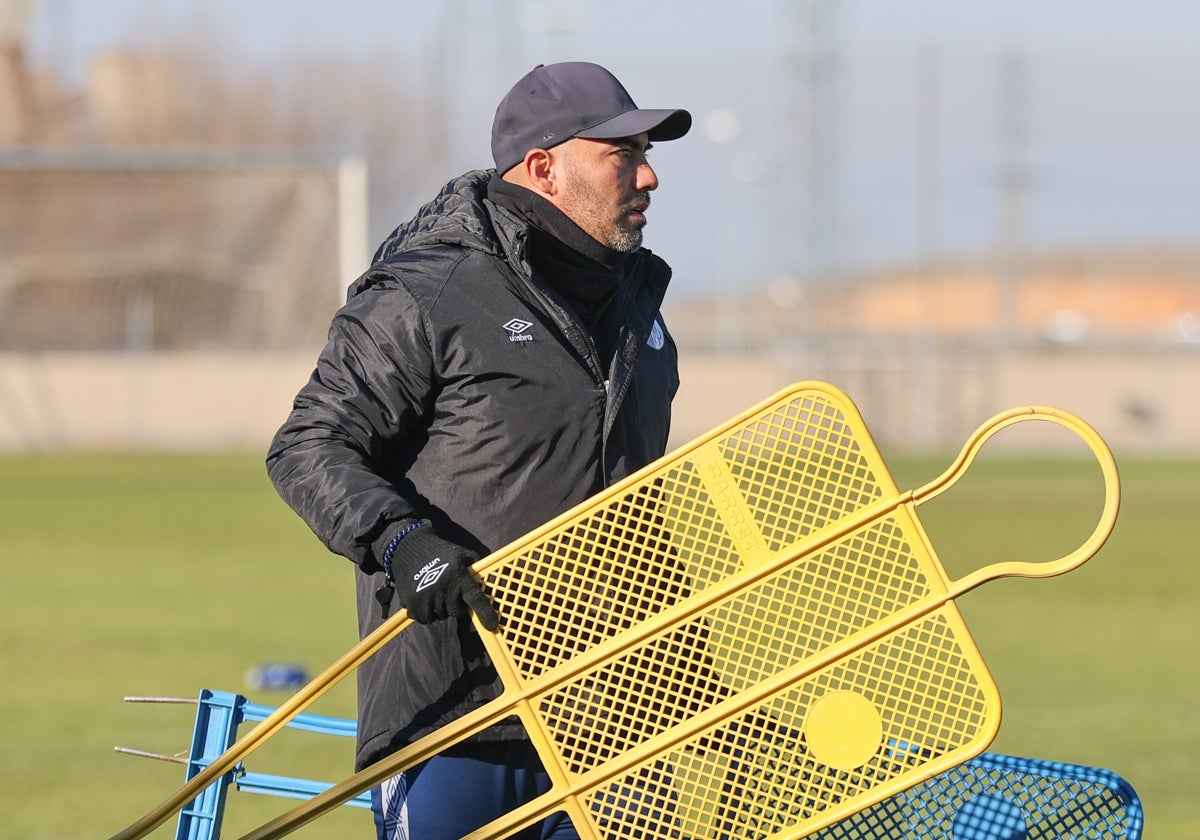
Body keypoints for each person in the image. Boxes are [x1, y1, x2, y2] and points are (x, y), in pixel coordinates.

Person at [266, 61, 691, 839]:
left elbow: (635, 511)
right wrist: (401, 543)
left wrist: (693, 678)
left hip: (620, 727)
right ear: (544, 167)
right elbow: (309, 445)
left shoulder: (639, 310)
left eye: (645, 154)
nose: (649, 175)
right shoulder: (430, 289)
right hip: (457, 717)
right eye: (623, 154)